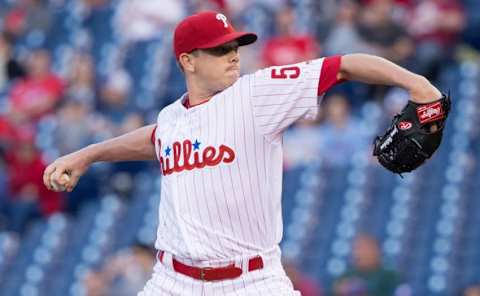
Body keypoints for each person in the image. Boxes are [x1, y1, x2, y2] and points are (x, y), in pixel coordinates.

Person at [43, 10, 443, 295]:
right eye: (219, 50)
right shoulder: (172, 118)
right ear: (188, 61)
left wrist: (418, 84)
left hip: (251, 282)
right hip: (172, 281)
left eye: (234, 45)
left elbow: (344, 66)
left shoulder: (256, 94)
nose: (233, 53)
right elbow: (155, 139)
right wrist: (88, 154)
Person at [333, 234, 402, 296]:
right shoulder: (348, 274)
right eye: (356, 248)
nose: (358, 253)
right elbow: (337, 289)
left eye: (364, 248)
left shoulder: (390, 276)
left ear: (376, 250)